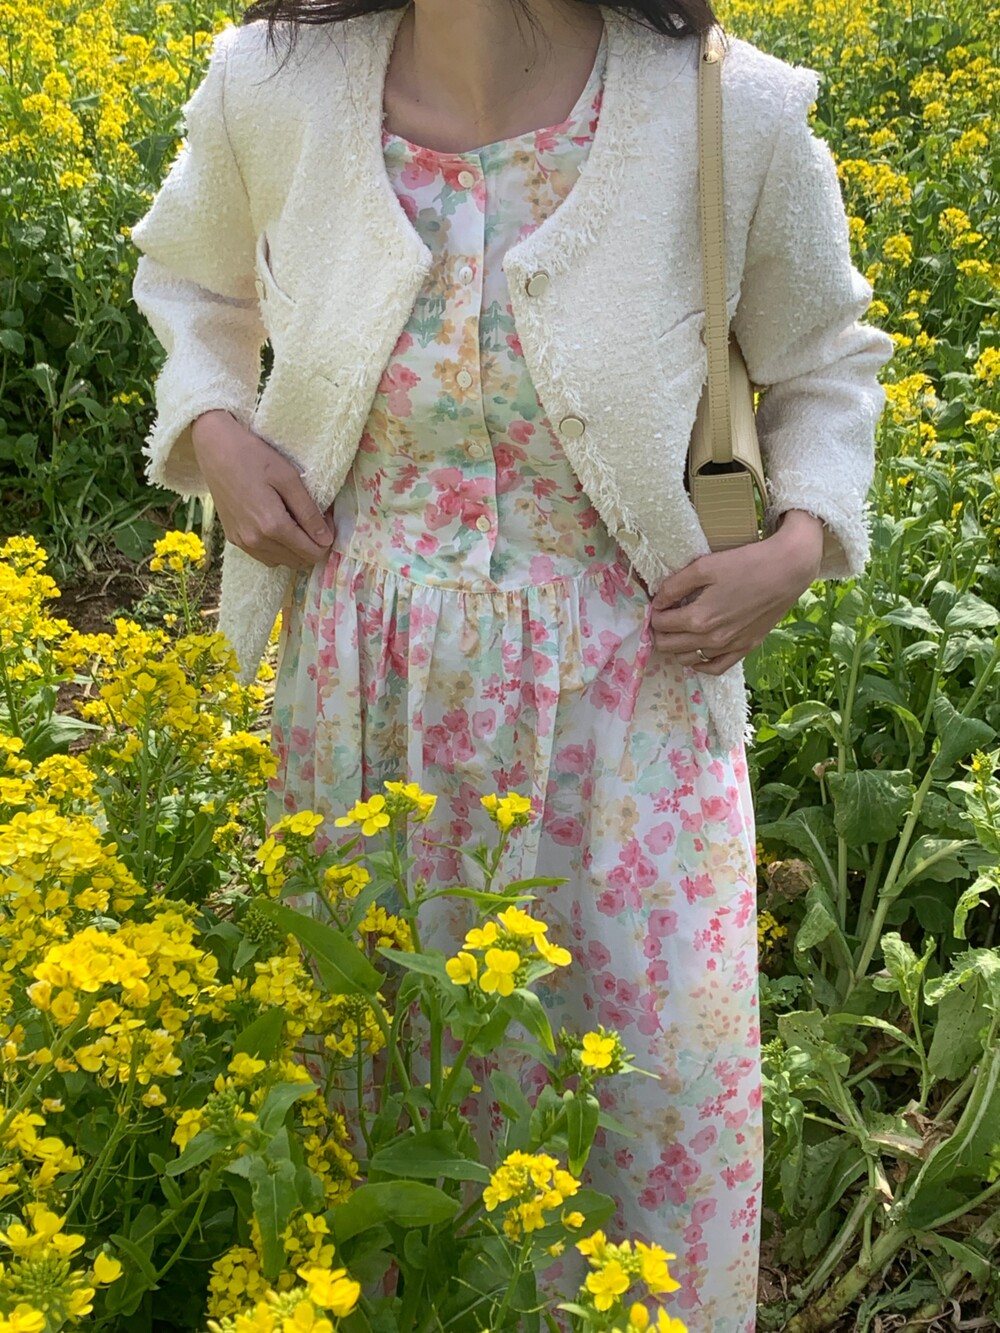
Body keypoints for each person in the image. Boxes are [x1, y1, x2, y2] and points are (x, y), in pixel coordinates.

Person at [129, 0, 894, 1326]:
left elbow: (829, 364)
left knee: (642, 1097)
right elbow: (190, 283)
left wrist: (795, 546)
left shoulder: (733, 109)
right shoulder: (274, 82)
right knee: (369, 1093)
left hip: (631, 714)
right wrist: (212, 429)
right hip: (362, 702)